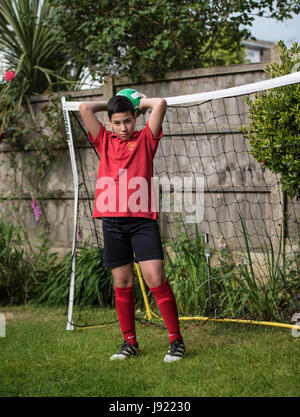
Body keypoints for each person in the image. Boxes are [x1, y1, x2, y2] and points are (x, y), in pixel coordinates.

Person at [79, 92, 185, 362]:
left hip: (142, 222)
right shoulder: (104, 140)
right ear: (110, 123)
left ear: (135, 118)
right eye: (117, 122)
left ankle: (176, 340)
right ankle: (129, 343)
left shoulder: (146, 140)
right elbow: (84, 107)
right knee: (122, 283)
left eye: (127, 121)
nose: (123, 128)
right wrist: (114, 102)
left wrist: (136, 101)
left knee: (155, 278)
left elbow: (160, 104)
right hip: (112, 223)